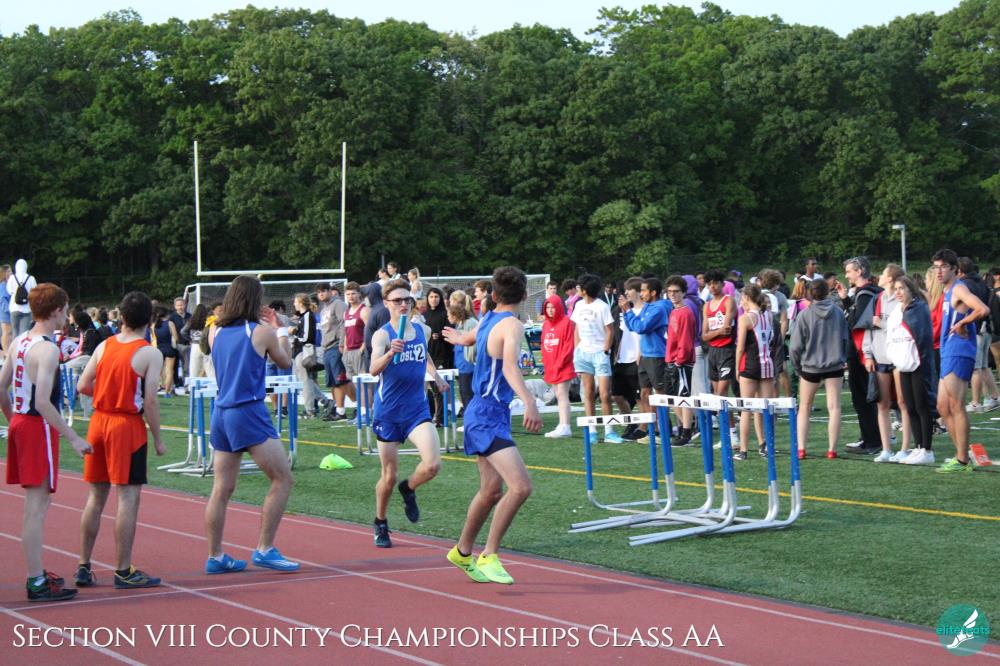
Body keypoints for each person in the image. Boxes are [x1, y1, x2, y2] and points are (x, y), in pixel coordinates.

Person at [442, 266, 542, 585]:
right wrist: (529, 401)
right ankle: (489, 555)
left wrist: (459, 338)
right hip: (487, 415)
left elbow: (470, 337)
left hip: (483, 411)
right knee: (520, 486)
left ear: (494, 296)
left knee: (490, 491)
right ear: (524, 296)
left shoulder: (487, 319)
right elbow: (510, 368)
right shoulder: (512, 325)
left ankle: (462, 551)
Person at [0, 283, 92, 601]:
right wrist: (74, 437)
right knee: (36, 508)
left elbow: (1, 387)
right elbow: (42, 401)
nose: (67, 316)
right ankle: (36, 579)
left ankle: (36, 576)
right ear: (56, 310)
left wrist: (13, 419)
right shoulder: (48, 349)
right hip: (37, 426)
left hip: (23, 423)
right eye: (65, 310)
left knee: (34, 506)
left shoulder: (19, 341)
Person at [204, 275, 299, 573]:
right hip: (248, 410)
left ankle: (215, 555)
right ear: (255, 300)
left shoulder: (215, 330)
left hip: (221, 411)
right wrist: (279, 329)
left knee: (221, 488)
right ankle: (265, 548)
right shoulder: (261, 332)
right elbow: (286, 362)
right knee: (283, 478)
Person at [75, 291, 165, 589]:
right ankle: (123, 570)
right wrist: (158, 439)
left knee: (96, 496)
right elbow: (150, 401)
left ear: (121, 317)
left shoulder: (104, 345)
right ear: (149, 320)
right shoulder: (150, 353)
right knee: (127, 497)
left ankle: (83, 565)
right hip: (126, 426)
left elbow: (83, 384)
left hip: (99, 422)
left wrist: (106, 394)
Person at [369, 280, 449, 548]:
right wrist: (390, 352)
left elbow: (424, 356)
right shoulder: (382, 335)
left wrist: (436, 376)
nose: (403, 304)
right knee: (389, 476)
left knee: (433, 464)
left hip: (416, 410)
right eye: (397, 301)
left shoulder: (422, 329)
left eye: (407, 300)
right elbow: (373, 370)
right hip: (389, 413)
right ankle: (380, 522)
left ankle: (409, 487)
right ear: (387, 304)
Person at [931, 249, 990, 472]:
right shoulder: (947, 291)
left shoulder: (959, 288)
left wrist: (963, 323)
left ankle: (963, 459)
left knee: (956, 405)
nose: (938, 271)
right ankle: (961, 455)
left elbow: (982, 309)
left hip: (959, 350)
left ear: (955, 269)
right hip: (948, 350)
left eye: (943, 267)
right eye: (936, 267)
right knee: (942, 406)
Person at [789, 280, 848, 459]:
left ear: (809, 293)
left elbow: (795, 346)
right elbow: (845, 338)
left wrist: (797, 366)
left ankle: (801, 448)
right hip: (834, 364)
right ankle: (832, 449)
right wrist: (843, 357)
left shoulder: (804, 315)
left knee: (804, 407)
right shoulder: (838, 312)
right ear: (827, 292)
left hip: (810, 366)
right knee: (834, 407)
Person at [863, 264, 911, 462]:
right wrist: (867, 354)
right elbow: (867, 328)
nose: (880, 276)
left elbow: (902, 327)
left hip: (899, 358)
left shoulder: (901, 299)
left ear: (890, 278)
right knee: (882, 404)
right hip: (880, 356)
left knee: (903, 403)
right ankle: (886, 449)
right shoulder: (877, 298)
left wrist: (881, 323)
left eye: (883, 273)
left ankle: (905, 448)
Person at [887, 276, 937, 465]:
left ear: (911, 289)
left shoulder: (919, 309)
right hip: (903, 365)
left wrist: (917, 359)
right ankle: (918, 447)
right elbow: (891, 336)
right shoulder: (896, 311)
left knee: (922, 406)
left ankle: (927, 450)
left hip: (918, 364)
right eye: (896, 289)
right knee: (910, 407)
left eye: (902, 288)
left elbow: (923, 338)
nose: (898, 292)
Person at [837, 257, 882, 454]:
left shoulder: (865, 294)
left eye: (849, 271)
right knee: (866, 396)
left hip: (861, 353)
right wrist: (846, 300)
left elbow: (857, 324)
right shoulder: (871, 292)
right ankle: (869, 437)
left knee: (862, 397)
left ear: (859, 271)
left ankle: (871, 440)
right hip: (866, 351)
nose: (846, 275)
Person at [621, 277, 671, 442]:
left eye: (643, 290)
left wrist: (628, 311)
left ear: (653, 292)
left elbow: (641, 327)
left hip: (657, 355)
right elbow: (632, 327)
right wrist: (626, 312)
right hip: (645, 354)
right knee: (644, 393)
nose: (641, 293)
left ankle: (664, 429)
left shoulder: (659, 309)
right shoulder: (647, 307)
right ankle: (651, 429)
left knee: (660, 394)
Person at [571, 274, 617, 442]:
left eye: (579, 287)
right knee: (588, 392)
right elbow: (577, 329)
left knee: (604, 394)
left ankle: (609, 431)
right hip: (583, 354)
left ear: (584, 290)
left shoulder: (602, 306)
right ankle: (592, 431)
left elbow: (610, 330)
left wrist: (605, 350)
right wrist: (577, 349)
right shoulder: (578, 305)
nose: (577, 289)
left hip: (600, 354)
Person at [734, 284, 776, 460]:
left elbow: (740, 347)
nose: (740, 302)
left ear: (746, 298)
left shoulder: (745, 318)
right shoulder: (768, 315)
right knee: (765, 408)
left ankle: (743, 450)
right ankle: (765, 445)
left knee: (746, 409)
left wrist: (737, 368)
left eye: (742, 299)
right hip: (767, 364)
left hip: (750, 365)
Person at [702, 269, 738, 447]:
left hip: (727, 350)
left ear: (722, 284)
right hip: (713, 352)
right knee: (718, 397)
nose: (712, 287)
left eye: (715, 283)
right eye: (709, 284)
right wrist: (716, 332)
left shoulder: (728, 301)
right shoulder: (706, 306)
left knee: (722, 393)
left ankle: (733, 435)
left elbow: (727, 330)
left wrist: (713, 333)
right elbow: (704, 336)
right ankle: (728, 434)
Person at [665, 276, 697, 446]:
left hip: (681, 361)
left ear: (684, 293)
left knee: (683, 396)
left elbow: (685, 339)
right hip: (672, 359)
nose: (672, 294)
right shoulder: (674, 311)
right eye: (670, 291)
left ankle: (687, 432)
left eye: (676, 291)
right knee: (672, 396)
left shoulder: (685, 312)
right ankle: (687, 427)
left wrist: (679, 360)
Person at [541, 293, 575, 438]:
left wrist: (560, 363)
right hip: (551, 366)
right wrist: (547, 363)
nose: (550, 310)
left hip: (563, 366)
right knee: (558, 394)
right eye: (547, 307)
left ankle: (565, 426)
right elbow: (544, 345)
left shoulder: (567, 323)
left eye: (553, 307)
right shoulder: (546, 324)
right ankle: (562, 424)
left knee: (562, 394)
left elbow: (569, 345)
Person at [424, 287, 454, 426]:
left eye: (436, 297)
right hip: (428, 355)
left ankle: (440, 418)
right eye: (431, 297)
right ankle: (433, 414)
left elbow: (450, 332)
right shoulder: (424, 315)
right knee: (432, 388)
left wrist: (440, 335)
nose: (433, 299)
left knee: (439, 388)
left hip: (442, 355)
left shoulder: (445, 314)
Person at [7, 259, 37, 338]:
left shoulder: (12, 278)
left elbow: (9, 291)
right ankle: (22, 345)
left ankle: (15, 345)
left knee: (15, 331)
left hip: (14, 307)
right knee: (24, 333)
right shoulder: (31, 278)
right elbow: (34, 292)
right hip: (27, 308)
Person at [152, 306, 179, 396]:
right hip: (169, 348)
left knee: (161, 371)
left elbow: (153, 338)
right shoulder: (170, 323)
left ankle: (161, 386)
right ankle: (167, 392)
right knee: (169, 371)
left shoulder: (154, 325)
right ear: (166, 314)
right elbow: (176, 337)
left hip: (158, 349)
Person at [0, 264, 11, 352]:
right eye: (8, 271)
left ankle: (7, 351)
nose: (11, 273)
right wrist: (8, 310)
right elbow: (3, 299)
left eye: (11, 271)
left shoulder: (8, 284)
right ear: (4, 273)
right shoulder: (3, 285)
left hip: (8, 311)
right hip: (5, 312)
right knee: (6, 333)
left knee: (8, 333)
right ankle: (6, 352)